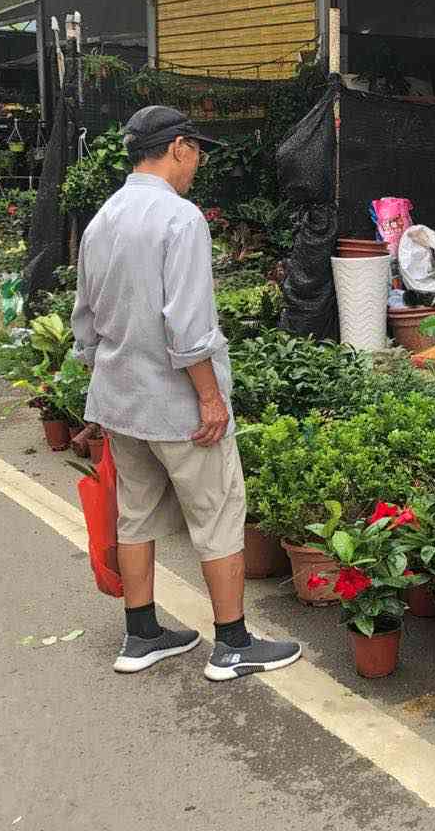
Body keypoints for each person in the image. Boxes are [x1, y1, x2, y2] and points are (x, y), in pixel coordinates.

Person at [71, 105, 301, 681]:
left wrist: (106, 387)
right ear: (178, 147)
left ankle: (141, 633)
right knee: (219, 513)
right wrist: (210, 398)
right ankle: (232, 644)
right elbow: (189, 327)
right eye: (196, 151)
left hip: (121, 401)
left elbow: (86, 324)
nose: (197, 163)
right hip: (178, 407)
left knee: (136, 514)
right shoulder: (180, 219)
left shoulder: (103, 219)